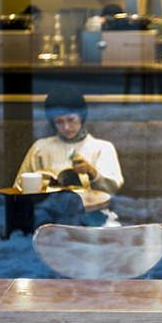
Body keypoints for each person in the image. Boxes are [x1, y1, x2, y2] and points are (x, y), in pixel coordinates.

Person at [14, 85, 124, 225]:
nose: (66, 127)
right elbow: (18, 187)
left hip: (90, 216)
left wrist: (92, 172)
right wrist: (45, 185)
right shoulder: (40, 148)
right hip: (47, 218)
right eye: (59, 122)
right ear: (52, 122)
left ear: (81, 116)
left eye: (71, 119)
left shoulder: (102, 147)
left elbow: (114, 188)